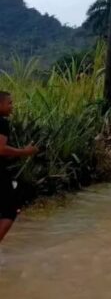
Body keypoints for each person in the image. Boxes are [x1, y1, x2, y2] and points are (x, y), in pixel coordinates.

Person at [0, 91, 39, 243]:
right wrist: (26, 151)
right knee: (10, 212)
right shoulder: (2, 123)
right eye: (9, 103)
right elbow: (1, 149)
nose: (12, 106)